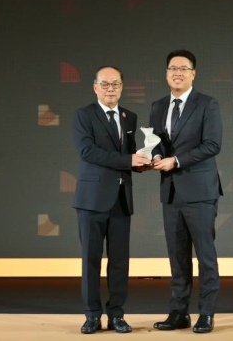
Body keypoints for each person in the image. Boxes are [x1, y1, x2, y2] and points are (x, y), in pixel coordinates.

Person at [72, 65, 151, 334]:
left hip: (121, 199)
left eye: (115, 84)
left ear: (122, 87)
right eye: (105, 84)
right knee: (91, 260)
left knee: (119, 262)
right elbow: (88, 152)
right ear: (95, 87)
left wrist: (142, 163)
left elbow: (129, 154)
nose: (110, 89)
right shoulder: (84, 115)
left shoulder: (129, 117)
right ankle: (92, 316)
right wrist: (128, 160)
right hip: (91, 200)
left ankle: (117, 315)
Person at [149, 50, 223, 334]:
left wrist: (176, 161)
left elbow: (212, 145)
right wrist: (155, 155)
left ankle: (206, 314)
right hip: (170, 192)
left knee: (205, 255)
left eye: (183, 68)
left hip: (200, 191)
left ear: (193, 73)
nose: (177, 73)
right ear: (166, 73)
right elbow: (155, 142)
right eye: (172, 68)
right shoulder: (158, 106)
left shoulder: (207, 104)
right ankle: (178, 312)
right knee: (177, 257)